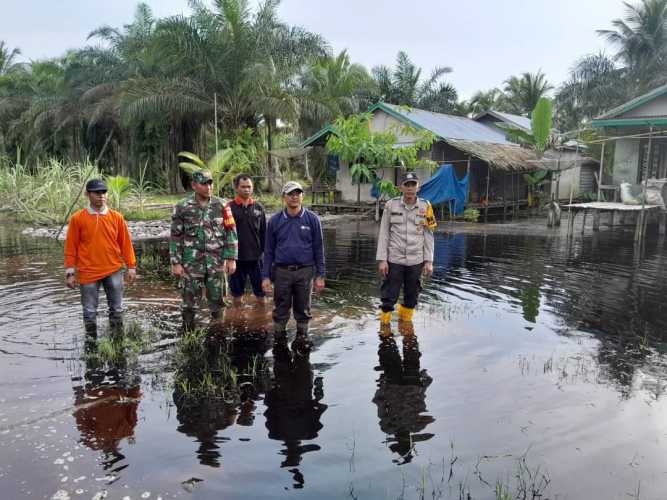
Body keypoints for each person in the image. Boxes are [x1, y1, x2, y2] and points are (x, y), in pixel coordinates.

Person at [64, 178, 137, 337]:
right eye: (97, 192)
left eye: (104, 192)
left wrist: (131, 266)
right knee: (89, 312)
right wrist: (70, 273)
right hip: (87, 272)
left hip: (113, 270)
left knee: (117, 309)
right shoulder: (77, 218)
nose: (101, 195)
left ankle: (117, 342)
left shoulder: (116, 217)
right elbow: (71, 247)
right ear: (87, 194)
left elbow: (126, 243)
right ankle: (91, 345)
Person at [170, 170, 238, 331]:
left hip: (216, 263)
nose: (209, 187)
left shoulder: (222, 205)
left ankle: (218, 333)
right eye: (204, 183)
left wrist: (231, 258)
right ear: (194, 185)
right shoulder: (182, 207)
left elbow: (231, 232)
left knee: (218, 301)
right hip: (191, 264)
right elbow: (175, 236)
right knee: (188, 303)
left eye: (210, 183)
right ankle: (189, 333)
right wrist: (175, 262)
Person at [262, 181, 325, 353]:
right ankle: (279, 342)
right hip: (281, 272)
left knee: (303, 308)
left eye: (298, 193)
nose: (294, 197)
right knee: (280, 309)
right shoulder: (274, 221)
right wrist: (266, 276)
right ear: (284, 198)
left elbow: (319, 248)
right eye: (290, 194)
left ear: (302, 196)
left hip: (305, 272)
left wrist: (320, 275)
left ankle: (302, 338)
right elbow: (268, 251)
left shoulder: (312, 219)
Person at [376, 172, 436, 325]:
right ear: (400, 187)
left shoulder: (426, 206)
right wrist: (383, 260)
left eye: (413, 185)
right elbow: (384, 233)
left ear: (418, 187)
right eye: (407, 185)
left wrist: (429, 261)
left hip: (416, 260)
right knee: (389, 297)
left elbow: (429, 235)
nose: (410, 188)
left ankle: (406, 327)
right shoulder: (391, 205)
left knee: (412, 297)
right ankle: (384, 329)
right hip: (394, 259)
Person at [226, 174, 267, 306]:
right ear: (236, 188)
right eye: (243, 187)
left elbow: (264, 233)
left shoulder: (259, 208)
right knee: (237, 295)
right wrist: (227, 258)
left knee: (261, 294)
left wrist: (266, 256)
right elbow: (225, 234)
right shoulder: (228, 208)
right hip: (236, 259)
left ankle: (262, 321)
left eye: (249, 186)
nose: (246, 189)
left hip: (256, 259)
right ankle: (238, 322)